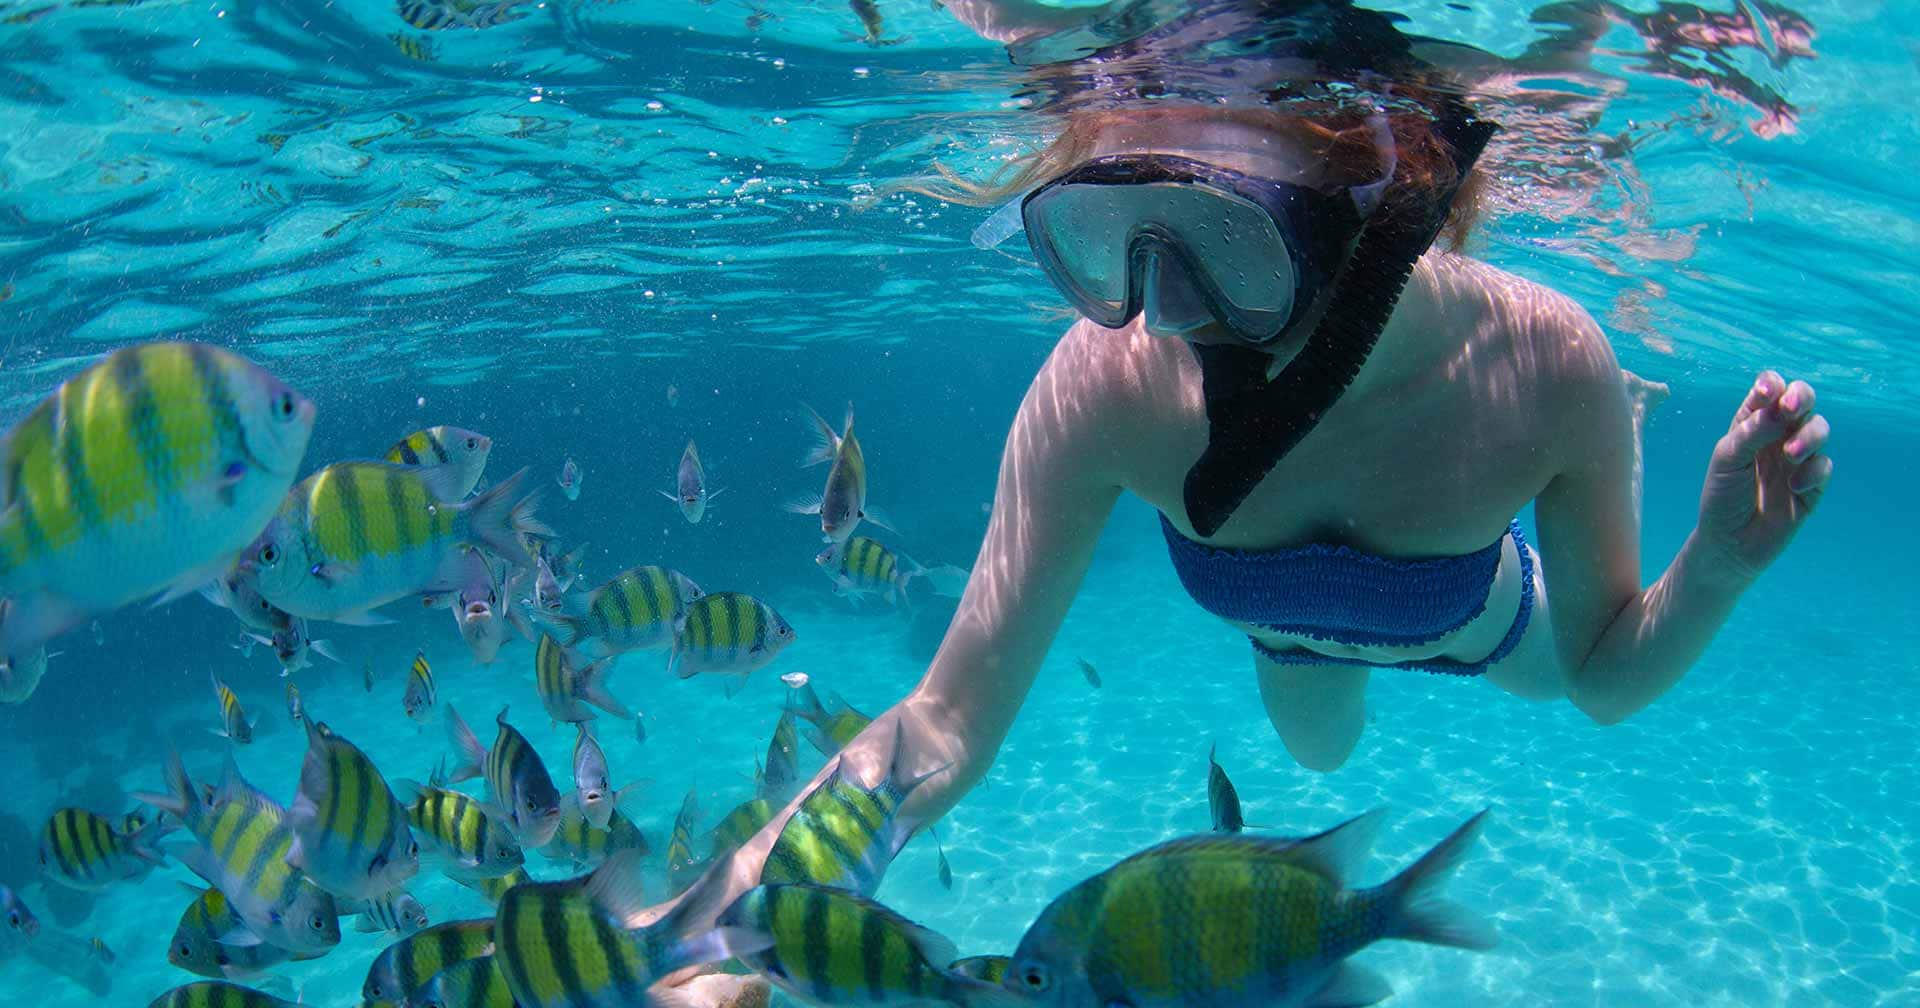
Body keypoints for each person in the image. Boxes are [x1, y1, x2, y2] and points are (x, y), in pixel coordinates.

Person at [650, 0, 1832, 975]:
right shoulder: (1108, 385)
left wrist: (1717, 566)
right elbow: (946, 721)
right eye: (1118, 239)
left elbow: (1605, 679)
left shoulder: (1543, 366)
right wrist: (718, 924)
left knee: (1540, 686)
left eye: (1222, 241)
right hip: (1293, 646)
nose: (1161, 308)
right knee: (1319, 761)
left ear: (1379, 197)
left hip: (1479, 614)